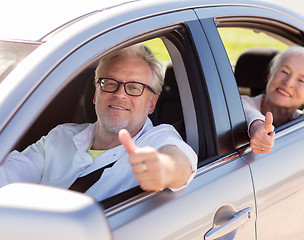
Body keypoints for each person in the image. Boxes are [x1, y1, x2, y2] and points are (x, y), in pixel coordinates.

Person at [0, 44, 197, 201]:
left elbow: (181, 162)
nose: (120, 94)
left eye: (134, 87)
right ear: (96, 94)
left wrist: (164, 168)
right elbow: (9, 174)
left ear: (151, 103)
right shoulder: (60, 136)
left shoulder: (156, 140)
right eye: (110, 83)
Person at [241, 46, 304, 154]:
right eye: (284, 71)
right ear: (270, 75)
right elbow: (247, 112)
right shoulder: (243, 103)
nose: (289, 82)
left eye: (301, 80)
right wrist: (256, 126)